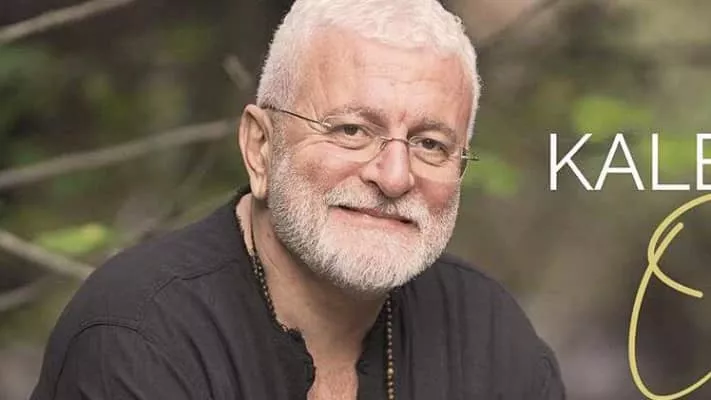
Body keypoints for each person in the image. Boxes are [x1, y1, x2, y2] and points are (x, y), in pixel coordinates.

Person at [30, 0, 565, 399]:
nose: (395, 176)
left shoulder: (489, 334)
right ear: (261, 148)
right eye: (352, 130)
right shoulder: (140, 337)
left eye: (430, 144)